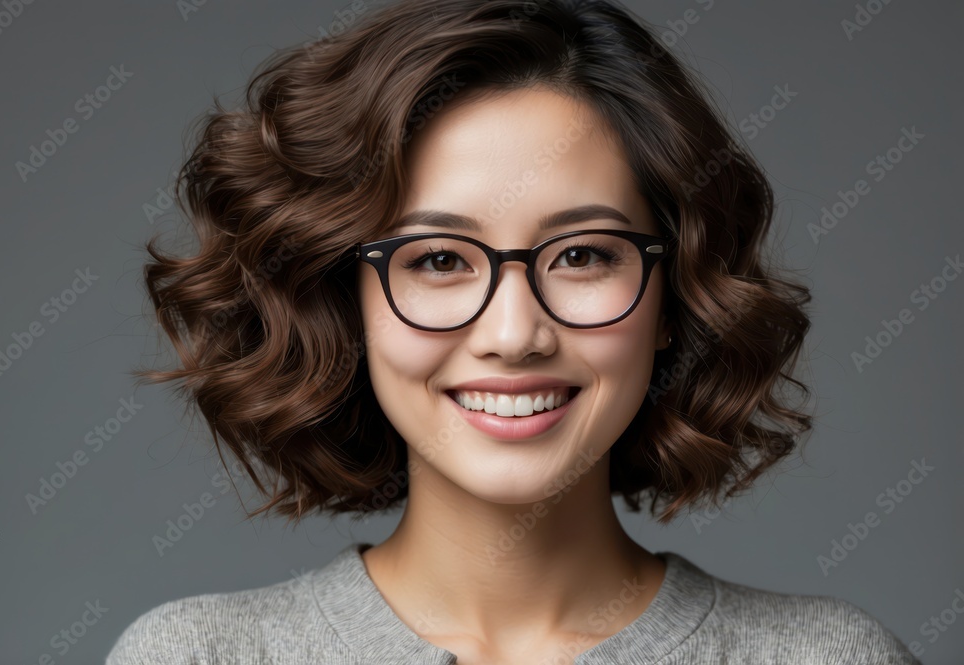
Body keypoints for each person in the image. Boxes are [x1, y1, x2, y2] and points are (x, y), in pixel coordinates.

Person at [106, 1, 920, 663]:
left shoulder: (827, 655)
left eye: (582, 254)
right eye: (436, 260)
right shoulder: (199, 654)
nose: (513, 331)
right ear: (346, 300)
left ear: (672, 298)